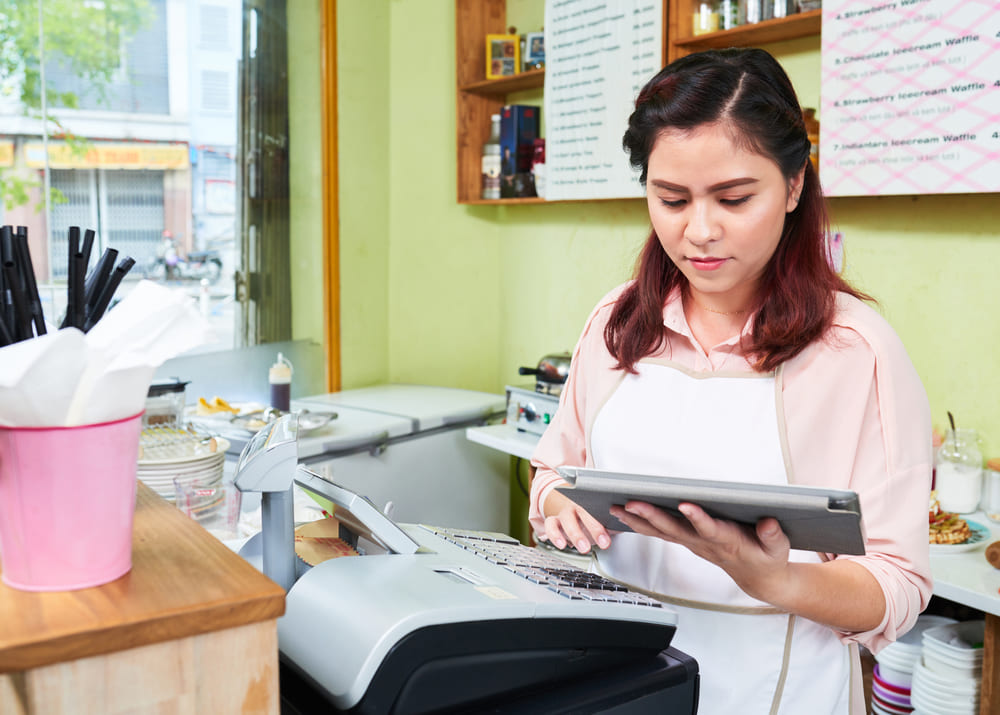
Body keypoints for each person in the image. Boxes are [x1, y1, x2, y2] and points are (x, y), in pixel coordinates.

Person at [528, 48, 932, 715]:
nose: (700, 231)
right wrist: (555, 508)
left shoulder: (857, 352)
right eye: (671, 199)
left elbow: (901, 584)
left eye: (735, 197)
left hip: (781, 691)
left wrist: (774, 578)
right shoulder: (618, 320)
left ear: (795, 185)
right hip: (618, 681)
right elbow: (552, 471)